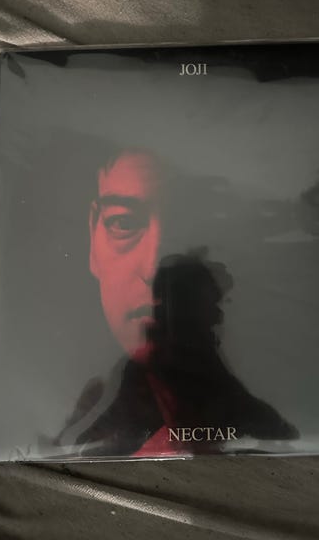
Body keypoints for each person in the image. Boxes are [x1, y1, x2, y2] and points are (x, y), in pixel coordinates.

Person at [57, 148, 297, 458]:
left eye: (180, 233)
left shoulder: (267, 431)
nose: (151, 270)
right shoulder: (82, 423)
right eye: (124, 223)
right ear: (93, 233)